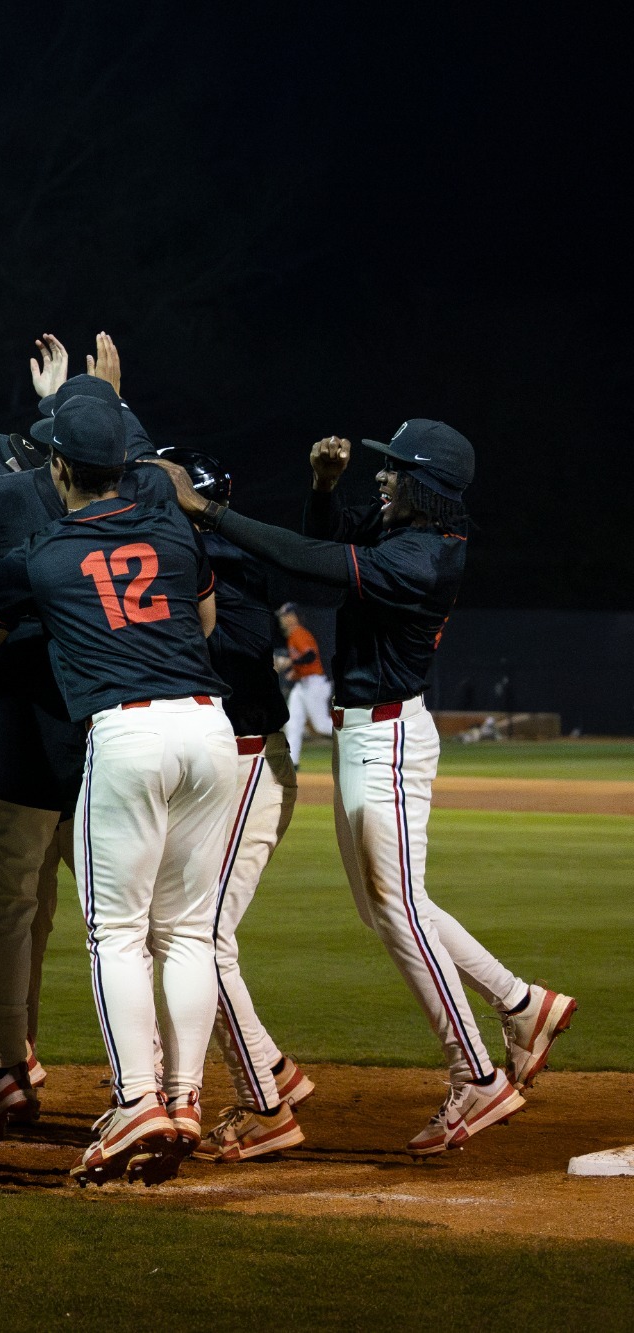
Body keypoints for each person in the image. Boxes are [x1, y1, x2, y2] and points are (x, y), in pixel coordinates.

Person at [151, 421, 577, 1154]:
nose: (380, 479)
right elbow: (325, 548)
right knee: (387, 908)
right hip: (364, 735)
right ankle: (519, 1002)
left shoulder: (422, 557)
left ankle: (477, 1076)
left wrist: (211, 513)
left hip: (390, 737)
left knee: (400, 909)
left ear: (426, 486)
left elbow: (312, 559)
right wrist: (322, 488)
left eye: (392, 471)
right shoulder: (405, 533)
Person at [0, 394, 234, 1187]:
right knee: (185, 931)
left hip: (128, 729)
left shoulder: (40, 554)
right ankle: (183, 1097)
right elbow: (205, 621)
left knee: (115, 931)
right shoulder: (174, 530)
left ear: (61, 467)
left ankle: (137, 1096)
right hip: (209, 725)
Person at [154, 448, 317, 1162]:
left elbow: (240, 655)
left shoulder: (226, 566)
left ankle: (267, 1107)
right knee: (185, 930)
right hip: (230, 762)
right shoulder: (193, 558)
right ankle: (271, 1066)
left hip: (251, 759)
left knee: (204, 939)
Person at [279, 603, 333, 764]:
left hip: (314, 683)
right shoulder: (292, 636)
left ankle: (352, 734)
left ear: (294, 617)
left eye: (286, 615)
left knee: (322, 725)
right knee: (293, 723)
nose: (283, 619)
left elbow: (310, 656)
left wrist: (290, 662)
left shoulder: (298, 633)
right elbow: (304, 664)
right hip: (303, 684)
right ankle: (292, 763)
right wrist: (293, 672)